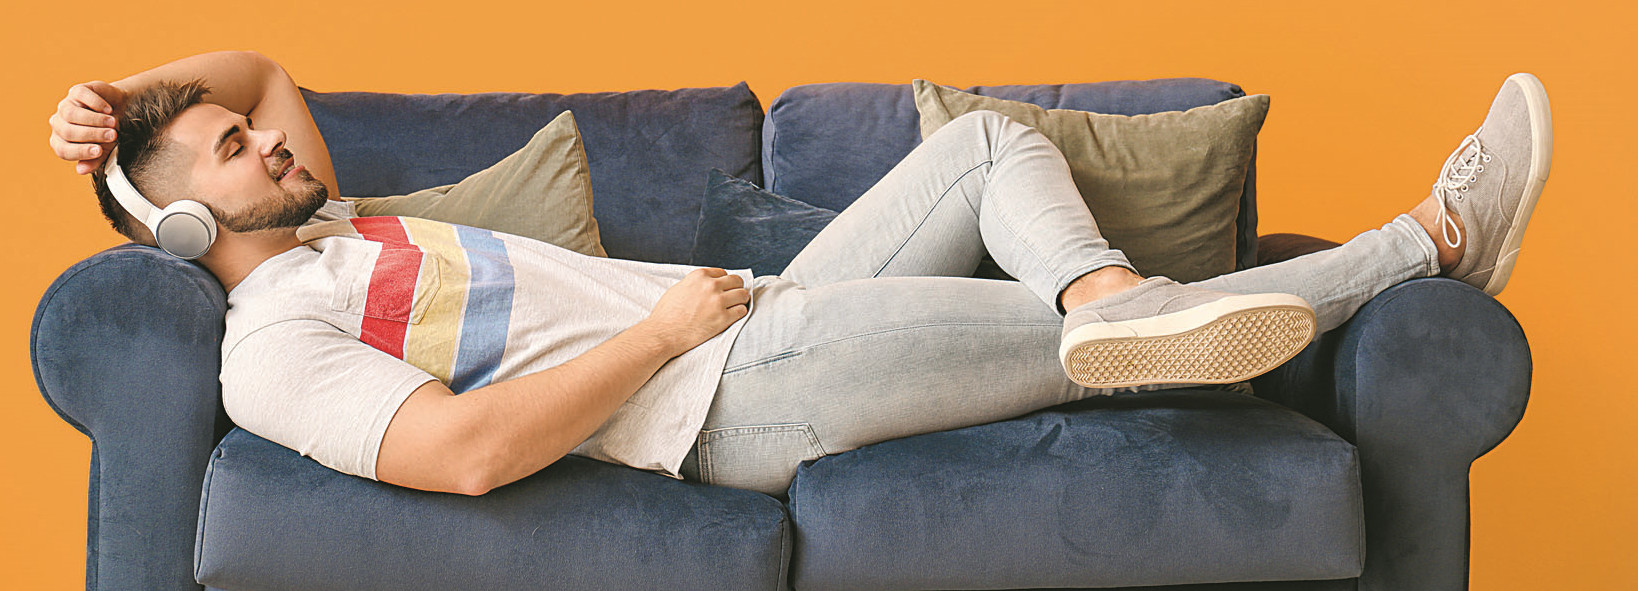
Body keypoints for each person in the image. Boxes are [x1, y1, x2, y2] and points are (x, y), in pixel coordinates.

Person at [47, 51, 1551, 498]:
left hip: (762, 324)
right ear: (178, 227)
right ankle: (1431, 242)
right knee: (1064, 336)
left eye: (253, 134)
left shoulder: (331, 222)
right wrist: (661, 334)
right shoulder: (275, 335)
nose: (267, 137)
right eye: (232, 151)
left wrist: (114, 106)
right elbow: (463, 456)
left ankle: (1104, 300)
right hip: (726, 393)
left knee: (983, 149)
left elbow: (256, 64)